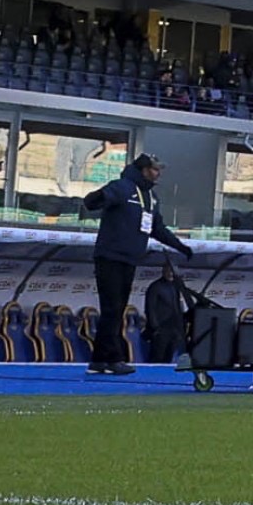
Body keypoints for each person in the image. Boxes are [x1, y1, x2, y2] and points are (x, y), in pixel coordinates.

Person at [85, 151, 198, 375]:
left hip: (129, 259)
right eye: (155, 169)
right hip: (110, 256)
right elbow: (94, 201)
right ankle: (114, 358)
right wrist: (98, 198)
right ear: (145, 169)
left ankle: (99, 360)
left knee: (115, 310)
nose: (158, 174)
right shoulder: (123, 187)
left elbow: (157, 229)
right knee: (112, 308)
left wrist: (181, 246)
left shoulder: (151, 198)